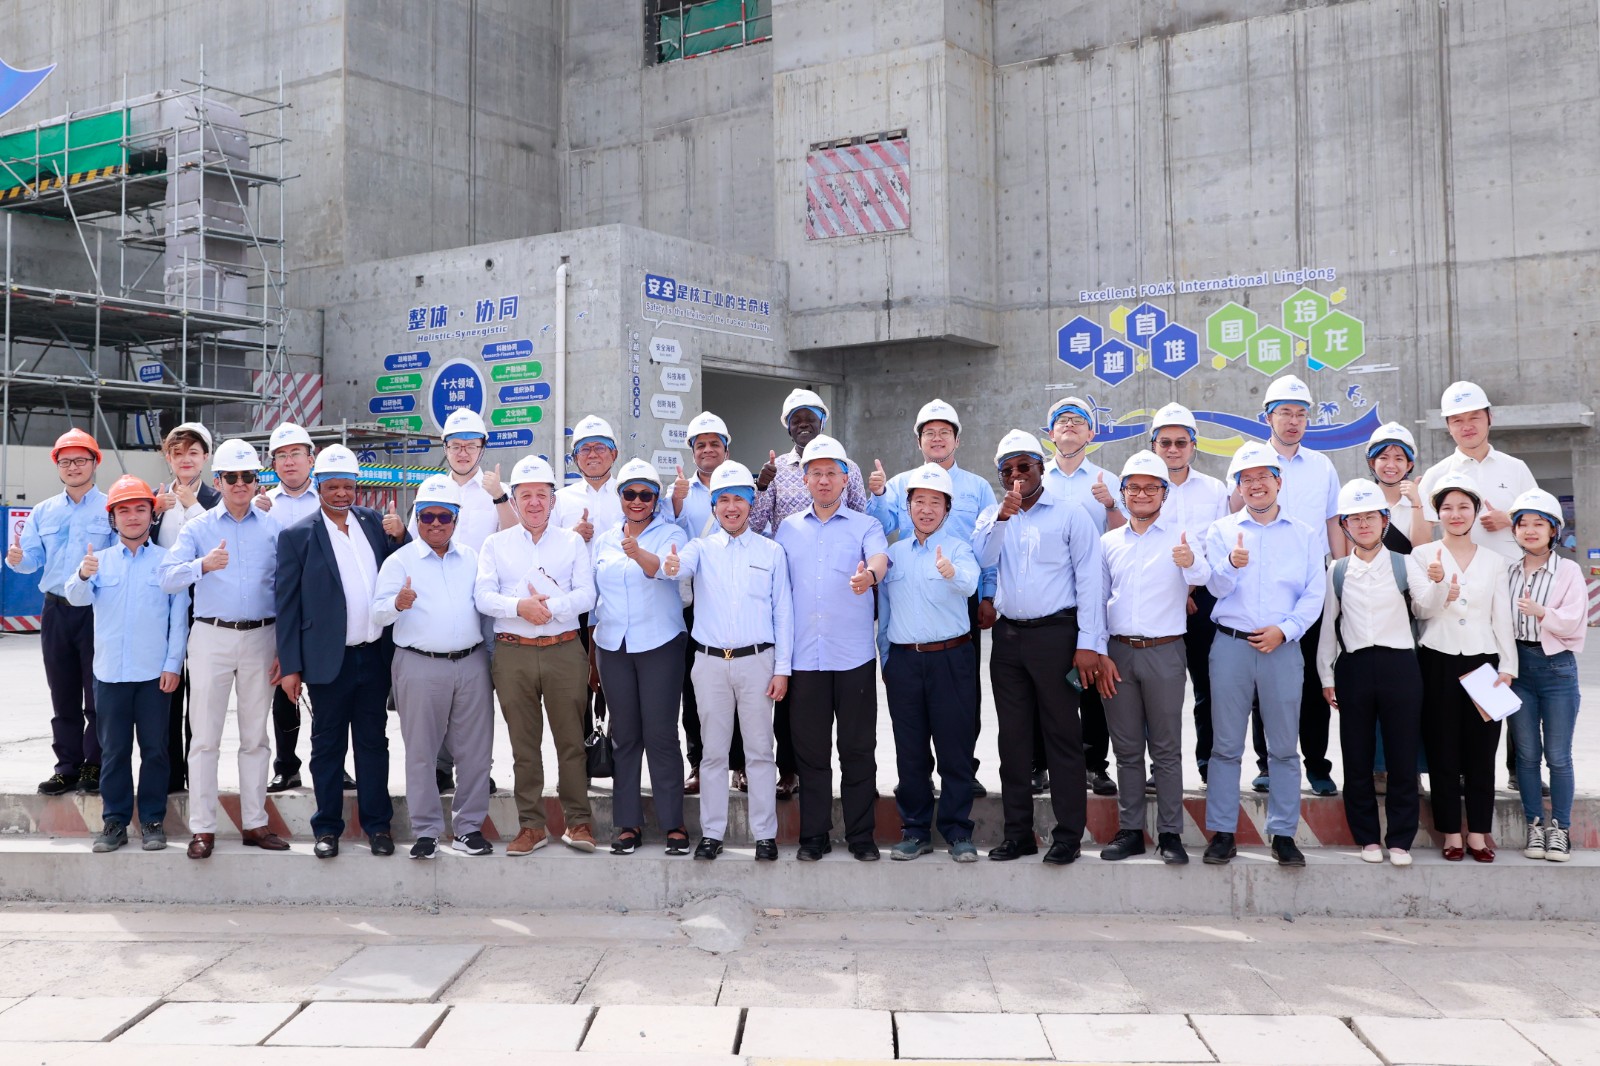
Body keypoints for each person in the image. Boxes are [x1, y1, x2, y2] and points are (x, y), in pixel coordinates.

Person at [971, 430, 1104, 865]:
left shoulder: (1071, 514)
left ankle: (1068, 835)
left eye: (1024, 466)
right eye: (1007, 470)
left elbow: (1090, 581)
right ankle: (1018, 834)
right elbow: (982, 560)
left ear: (1040, 468)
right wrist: (1002, 519)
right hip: (1009, 639)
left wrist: (1089, 643)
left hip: (1057, 636)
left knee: (1062, 736)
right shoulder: (993, 515)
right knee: (1012, 741)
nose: (1016, 475)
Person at [274, 445, 408, 859]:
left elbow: (398, 569)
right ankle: (327, 828)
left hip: (374, 656)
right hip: (327, 661)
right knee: (327, 747)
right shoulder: (297, 536)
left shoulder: (374, 524)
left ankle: (377, 826)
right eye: (333, 486)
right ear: (318, 487)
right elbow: (287, 606)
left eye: (348, 486)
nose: (341, 494)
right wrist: (291, 667)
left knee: (373, 744)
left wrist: (401, 534)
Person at [159, 438, 290, 860]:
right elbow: (166, 577)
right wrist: (202, 565)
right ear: (218, 481)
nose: (239, 483)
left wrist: (283, 649)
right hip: (211, 636)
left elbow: (285, 590)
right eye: (231, 477)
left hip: (262, 637)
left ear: (257, 481)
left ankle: (255, 823)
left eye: (247, 476)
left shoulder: (273, 528)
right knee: (204, 738)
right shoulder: (198, 528)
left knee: (255, 737)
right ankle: (203, 828)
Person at [659, 460, 791, 862]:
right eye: (723, 500)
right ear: (714, 505)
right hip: (710, 663)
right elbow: (678, 568)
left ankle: (765, 835)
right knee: (713, 753)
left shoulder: (771, 551)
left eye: (739, 499)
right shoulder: (700, 548)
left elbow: (783, 613)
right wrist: (670, 566)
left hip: (757, 662)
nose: (731, 507)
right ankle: (712, 833)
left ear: (751, 503)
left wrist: (782, 669)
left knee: (759, 751)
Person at [1201, 442, 1325, 868]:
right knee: (1225, 746)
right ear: (1238, 487)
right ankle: (1222, 832)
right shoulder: (1221, 531)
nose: (1255, 485)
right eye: (1246, 479)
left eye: (1263, 477)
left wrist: (1284, 631)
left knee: (1284, 748)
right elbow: (1214, 589)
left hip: (1282, 646)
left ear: (1278, 481)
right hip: (1231, 645)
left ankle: (1283, 834)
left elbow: (1314, 594)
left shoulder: (1304, 534)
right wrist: (1231, 565)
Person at [866, 399, 995, 797]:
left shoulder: (977, 486)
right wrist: (879, 494)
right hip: (910, 587)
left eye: (944, 432)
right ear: (918, 440)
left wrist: (988, 595)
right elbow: (882, 524)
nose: (937, 439)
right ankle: (917, 779)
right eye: (929, 433)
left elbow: (989, 546)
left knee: (962, 694)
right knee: (913, 710)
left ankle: (963, 768)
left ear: (957, 439)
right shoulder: (902, 483)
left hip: (961, 590)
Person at [1417, 380, 1539, 790]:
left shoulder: (1515, 469)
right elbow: (1422, 538)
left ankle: (1518, 768)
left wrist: (1510, 519)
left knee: (1512, 676)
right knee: (1457, 696)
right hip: (1455, 600)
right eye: (1457, 420)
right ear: (1448, 426)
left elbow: (1539, 525)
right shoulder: (1438, 475)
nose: (1467, 426)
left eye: (1474, 417)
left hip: (1512, 590)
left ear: (1489, 418)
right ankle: (1459, 769)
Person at [476, 454, 598, 855]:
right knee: (524, 747)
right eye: (525, 495)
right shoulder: (495, 544)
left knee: (571, 742)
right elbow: (483, 596)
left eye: (541, 495)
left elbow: (587, 595)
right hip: (514, 653)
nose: (533, 503)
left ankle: (579, 823)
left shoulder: (572, 542)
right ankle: (531, 827)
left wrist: (550, 608)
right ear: (513, 500)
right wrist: (519, 608)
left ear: (553, 500)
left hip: (563, 650)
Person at [774, 433, 889, 861]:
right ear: (805, 480)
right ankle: (814, 837)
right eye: (816, 473)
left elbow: (879, 559)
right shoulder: (787, 529)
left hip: (853, 657)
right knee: (811, 755)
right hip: (805, 659)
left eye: (831, 473)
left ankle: (861, 837)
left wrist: (869, 577)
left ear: (845, 479)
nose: (824, 481)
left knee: (858, 751)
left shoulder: (865, 525)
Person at [1094, 450, 1209, 866]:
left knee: (1166, 749)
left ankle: (1170, 834)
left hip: (1165, 652)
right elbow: (1096, 602)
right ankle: (1130, 831)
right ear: (1123, 493)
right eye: (1134, 488)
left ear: (1164, 493)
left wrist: (1190, 562)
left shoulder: (1182, 537)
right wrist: (1100, 652)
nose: (1142, 494)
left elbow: (1205, 578)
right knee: (1126, 749)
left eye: (1151, 488)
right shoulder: (1108, 542)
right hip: (1118, 653)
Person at [372, 474, 495, 859]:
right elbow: (377, 613)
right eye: (428, 516)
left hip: (471, 662)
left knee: (476, 752)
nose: (436, 524)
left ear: (456, 519)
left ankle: (468, 828)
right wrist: (398, 604)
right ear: (417, 517)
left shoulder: (473, 558)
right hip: (419, 665)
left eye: (445, 516)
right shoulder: (399, 561)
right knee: (421, 752)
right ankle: (426, 832)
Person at [754, 388, 868, 801]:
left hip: (839, 588)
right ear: (787, 427)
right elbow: (756, 526)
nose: (803, 424)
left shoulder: (847, 466)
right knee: (792, 687)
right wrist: (760, 487)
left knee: (845, 704)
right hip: (792, 587)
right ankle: (790, 769)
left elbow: (862, 518)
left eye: (810, 417)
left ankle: (849, 782)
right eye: (795, 419)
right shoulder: (776, 469)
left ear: (823, 421)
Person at [65, 476, 187, 853]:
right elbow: (76, 597)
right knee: (114, 752)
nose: (132, 516)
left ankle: (152, 820)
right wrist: (83, 574)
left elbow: (178, 619)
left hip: (154, 676)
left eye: (140, 509)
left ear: (152, 515)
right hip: (110, 675)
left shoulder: (168, 562)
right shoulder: (98, 561)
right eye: (123, 510)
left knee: (155, 750)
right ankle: (115, 822)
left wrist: (173, 665)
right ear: (113, 518)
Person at [1240, 375, 1343, 798]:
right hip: (1262, 584)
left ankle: (1317, 764)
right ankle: (1266, 764)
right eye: (1285, 413)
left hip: (1312, 583)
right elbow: (1234, 516)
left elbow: (1332, 521)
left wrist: (1341, 573)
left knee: (1314, 678)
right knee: (1265, 679)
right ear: (1267, 417)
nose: (1293, 421)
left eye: (1301, 414)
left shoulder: (1322, 466)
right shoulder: (1250, 460)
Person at [876, 462, 981, 862]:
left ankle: (957, 831)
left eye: (935, 502)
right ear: (908, 507)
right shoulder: (893, 555)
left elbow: (969, 583)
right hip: (904, 662)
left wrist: (951, 572)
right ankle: (916, 831)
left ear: (947, 509)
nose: (927, 509)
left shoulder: (958, 549)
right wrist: (887, 660)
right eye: (919, 501)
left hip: (951, 659)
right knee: (911, 752)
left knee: (955, 748)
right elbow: (885, 612)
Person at [1409, 472, 1516, 862]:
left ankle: (1479, 833)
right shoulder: (1422, 556)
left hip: (1484, 661)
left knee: (1481, 753)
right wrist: (1442, 587)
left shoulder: (1495, 560)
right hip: (1437, 658)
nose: (1455, 514)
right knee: (1443, 749)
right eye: (1448, 508)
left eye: (1463, 507)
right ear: (1437, 513)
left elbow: (1501, 616)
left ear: (1475, 511)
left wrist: (1508, 666)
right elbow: (1421, 610)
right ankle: (1452, 833)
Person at [1315, 480, 1423, 866]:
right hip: (1355, 668)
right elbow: (1328, 628)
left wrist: (1441, 585)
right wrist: (1327, 677)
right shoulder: (1337, 570)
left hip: (1400, 665)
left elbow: (1425, 610)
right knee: (1356, 756)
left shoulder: (1405, 564)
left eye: (1370, 517)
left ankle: (1400, 840)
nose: (1363, 525)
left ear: (1384, 520)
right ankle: (1367, 838)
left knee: (1402, 756)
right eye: (1354, 519)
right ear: (1344, 526)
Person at [411, 408, 513, 796]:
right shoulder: (431, 489)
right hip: (438, 605)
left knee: (477, 695)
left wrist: (499, 495)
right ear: (445, 448)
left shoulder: (496, 490)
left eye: (471, 445)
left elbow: (515, 537)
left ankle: (476, 769)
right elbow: (414, 546)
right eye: (456, 445)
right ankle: (441, 767)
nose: (463, 452)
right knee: (440, 690)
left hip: (484, 608)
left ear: (483, 448)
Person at [6, 428, 114, 796]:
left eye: (80, 460)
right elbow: (32, 560)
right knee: (63, 694)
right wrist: (17, 559)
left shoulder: (110, 508)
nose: (73, 467)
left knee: (97, 694)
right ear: (57, 466)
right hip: (55, 611)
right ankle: (66, 767)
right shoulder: (43, 511)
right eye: (65, 461)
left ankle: (94, 764)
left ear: (95, 463)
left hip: (96, 611)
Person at [592, 459, 690, 855]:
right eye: (629, 493)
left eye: (645, 495)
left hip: (660, 643)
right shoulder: (604, 540)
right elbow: (595, 597)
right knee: (625, 736)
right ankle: (627, 823)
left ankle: (673, 823)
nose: (637, 501)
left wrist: (638, 554)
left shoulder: (672, 533)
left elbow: (667, 572)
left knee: (661, 734)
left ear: (655, 499)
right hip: (612, 646)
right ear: (620, 497)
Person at [1039, 396, 1122, 798]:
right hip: (1047, 600)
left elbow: (1126, 535)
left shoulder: (1108, 479)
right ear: (1050, 433)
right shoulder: (1038, 477)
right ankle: (1040, 764)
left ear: (1092, 433)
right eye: (1062, 420)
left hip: (1094, 597)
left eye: (1078, 420)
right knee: (1045, 685)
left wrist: (1110, 504)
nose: (1069, 425)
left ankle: (1093, 764)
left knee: (1091, 683)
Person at [1147, 403, 1230, 786]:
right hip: (1157, 599)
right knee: (1157, 692)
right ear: (1154, 445)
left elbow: (1218, 545)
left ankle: (1209, 765)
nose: (1173, 449)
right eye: (1165, 442)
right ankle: (1159, 770)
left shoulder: (1214, 490)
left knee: (1208, 687)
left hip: (1204, 599)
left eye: (1181, 442)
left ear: (1194, 445)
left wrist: (1192, 586)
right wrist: (1176, 590)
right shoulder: (1142, 488)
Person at [1505, 489, 1586, 862]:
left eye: (1539, 523)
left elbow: (1573, 622)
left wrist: (1542, 612)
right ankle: (1535, 826)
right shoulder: (1508, 571)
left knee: (1558, 755)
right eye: (1523, 524)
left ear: (1554, 530)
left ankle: (1561, 830)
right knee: (1526, 754)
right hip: (1518, 667)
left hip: (1556, 668)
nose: (1530, 530)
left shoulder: (1568, 571)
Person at [253, 421, 331, 794]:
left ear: (311, 459)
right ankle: (286, 767)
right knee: (284, 691)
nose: (289, 462)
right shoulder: (262, 505)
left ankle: (331, 765)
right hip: (280, 613)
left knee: (328, 694)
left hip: (321, 614)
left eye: (295, 454)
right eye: (281, 456)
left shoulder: (326, 501)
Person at [670, 411, 745, 796]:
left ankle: (740, 765)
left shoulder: (743, 484)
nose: (708, 450)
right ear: (693, 452)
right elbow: (670, 537)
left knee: (740, 685)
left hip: (737, 599)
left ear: (726, 449)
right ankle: (699, 763)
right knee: (694, 685)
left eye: (715, 443)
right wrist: (677, 503)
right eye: (701, 445)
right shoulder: (679, 492)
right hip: (694, 603)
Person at [149, 421, 219, 796]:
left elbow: (218, 544)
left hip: (205, 606)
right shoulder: (155, 499)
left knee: (202, 697)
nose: (185, 460)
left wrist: (193, 507)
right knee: (167, 691)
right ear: (168, 458)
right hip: (164, 609)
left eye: (193, 452)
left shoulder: (217, 500)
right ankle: (171, 775)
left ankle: (197, 776)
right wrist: (153, 513)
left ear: (205, 457)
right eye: (177, 454)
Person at [553, 414, 623, 758]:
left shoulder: (629, 493)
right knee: (577, 685)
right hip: (576, 608)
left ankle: (619, 759)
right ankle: (582, 761)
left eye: (600, 447)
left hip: (619, 604)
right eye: (584, 449)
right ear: (574, 457)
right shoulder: (561, 500)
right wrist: (570, 536)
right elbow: (545, 549)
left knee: (619, 685)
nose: (592, 454)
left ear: (614, 453)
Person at [1365, 422, 1429, 553]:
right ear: (1372, 463)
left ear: (1409, 465)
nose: (1391, 465)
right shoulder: (1362, 499)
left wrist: (1416, 502)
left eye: (1399, 459)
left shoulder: (1421, 497)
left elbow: (1422, 549)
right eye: (1383, 458)